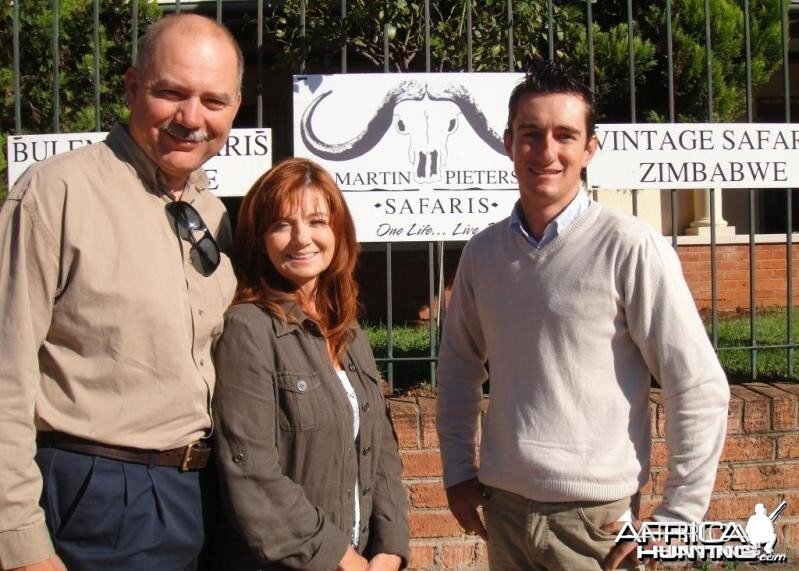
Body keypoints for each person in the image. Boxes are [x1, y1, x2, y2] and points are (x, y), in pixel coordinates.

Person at [436, 59, 730, 570]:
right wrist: (459, 469)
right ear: (508, 143)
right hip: (502, 509)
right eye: (530, 134)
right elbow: (459, 369)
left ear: (589, 148)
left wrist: (680, 515)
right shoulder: (482, 253)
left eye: (565, 135)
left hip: (597, 522)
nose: (546, 152)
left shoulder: (630, 247)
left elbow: (698, 384)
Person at [0, 14, 242, 571]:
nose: (192, 118)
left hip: (204, 496)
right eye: (171, 93)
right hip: (96, 495)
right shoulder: (56, 193)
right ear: (133, 88)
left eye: (214, 100)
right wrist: (22, 544)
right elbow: (7, 376)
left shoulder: (213, 213)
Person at [212, 158, 409, 571]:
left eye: (317, 220)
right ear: (259, 238)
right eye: (281, 224)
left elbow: (382, 450)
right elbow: (251, 471)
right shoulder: (248, 328)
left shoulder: (346, 328)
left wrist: (390, 548)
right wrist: (339, 559)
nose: (302, 238)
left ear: (338, 231)